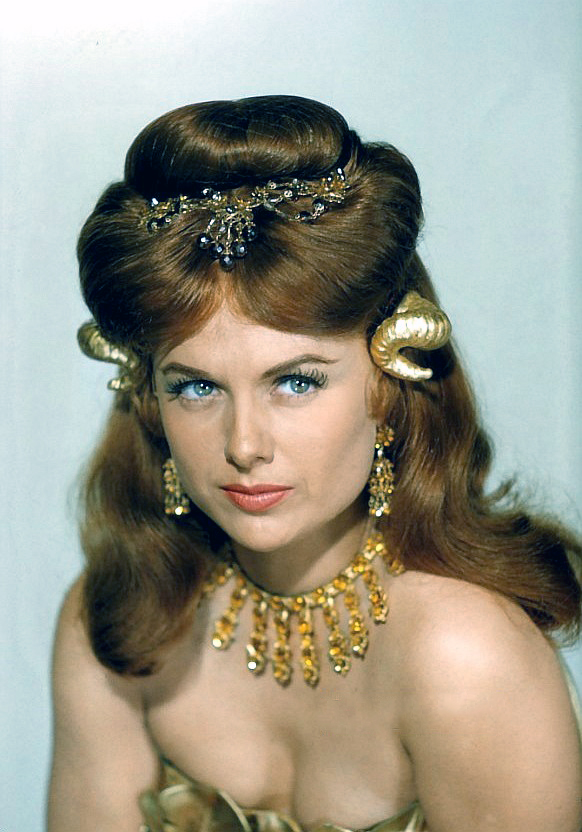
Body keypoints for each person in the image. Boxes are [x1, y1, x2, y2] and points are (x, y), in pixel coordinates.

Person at [48, 95, 582, 832]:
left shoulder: (465, 655)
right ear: (150, 402)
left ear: (389, 386)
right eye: (197, 387)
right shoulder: (120, 615)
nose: (244, 445)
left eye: (296, 382)